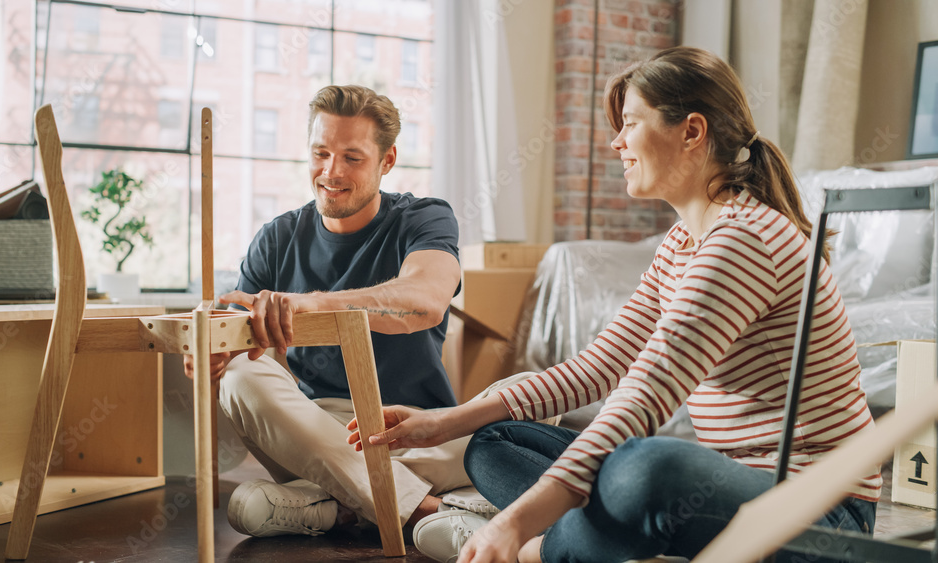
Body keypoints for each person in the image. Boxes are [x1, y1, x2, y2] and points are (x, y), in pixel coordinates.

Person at [349, 47, 880, 563]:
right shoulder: (683, 242)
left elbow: (643, 395)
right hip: (725, 491)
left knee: (646, 468)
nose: (616, 142)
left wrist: (516, 525)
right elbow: (598, 368)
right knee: (494, 442)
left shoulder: (744, 239)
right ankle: (603, 544)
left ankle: (536, 550)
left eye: (630, 123)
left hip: (818, 514)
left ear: (692, 132)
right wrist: (447, 421)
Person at [184, 84, 494, 539]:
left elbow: (424, 301)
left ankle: (340, 503)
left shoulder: (425, 218)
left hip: (419, 428)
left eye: (352, 157)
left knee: (533, 401)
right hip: (317, 430)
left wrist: (304, 303)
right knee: (240, 378)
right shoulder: (277, 238)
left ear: (387, 161)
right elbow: (229, 345)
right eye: (321, 153)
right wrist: (210, 352)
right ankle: (422, 511)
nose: (331, 171)